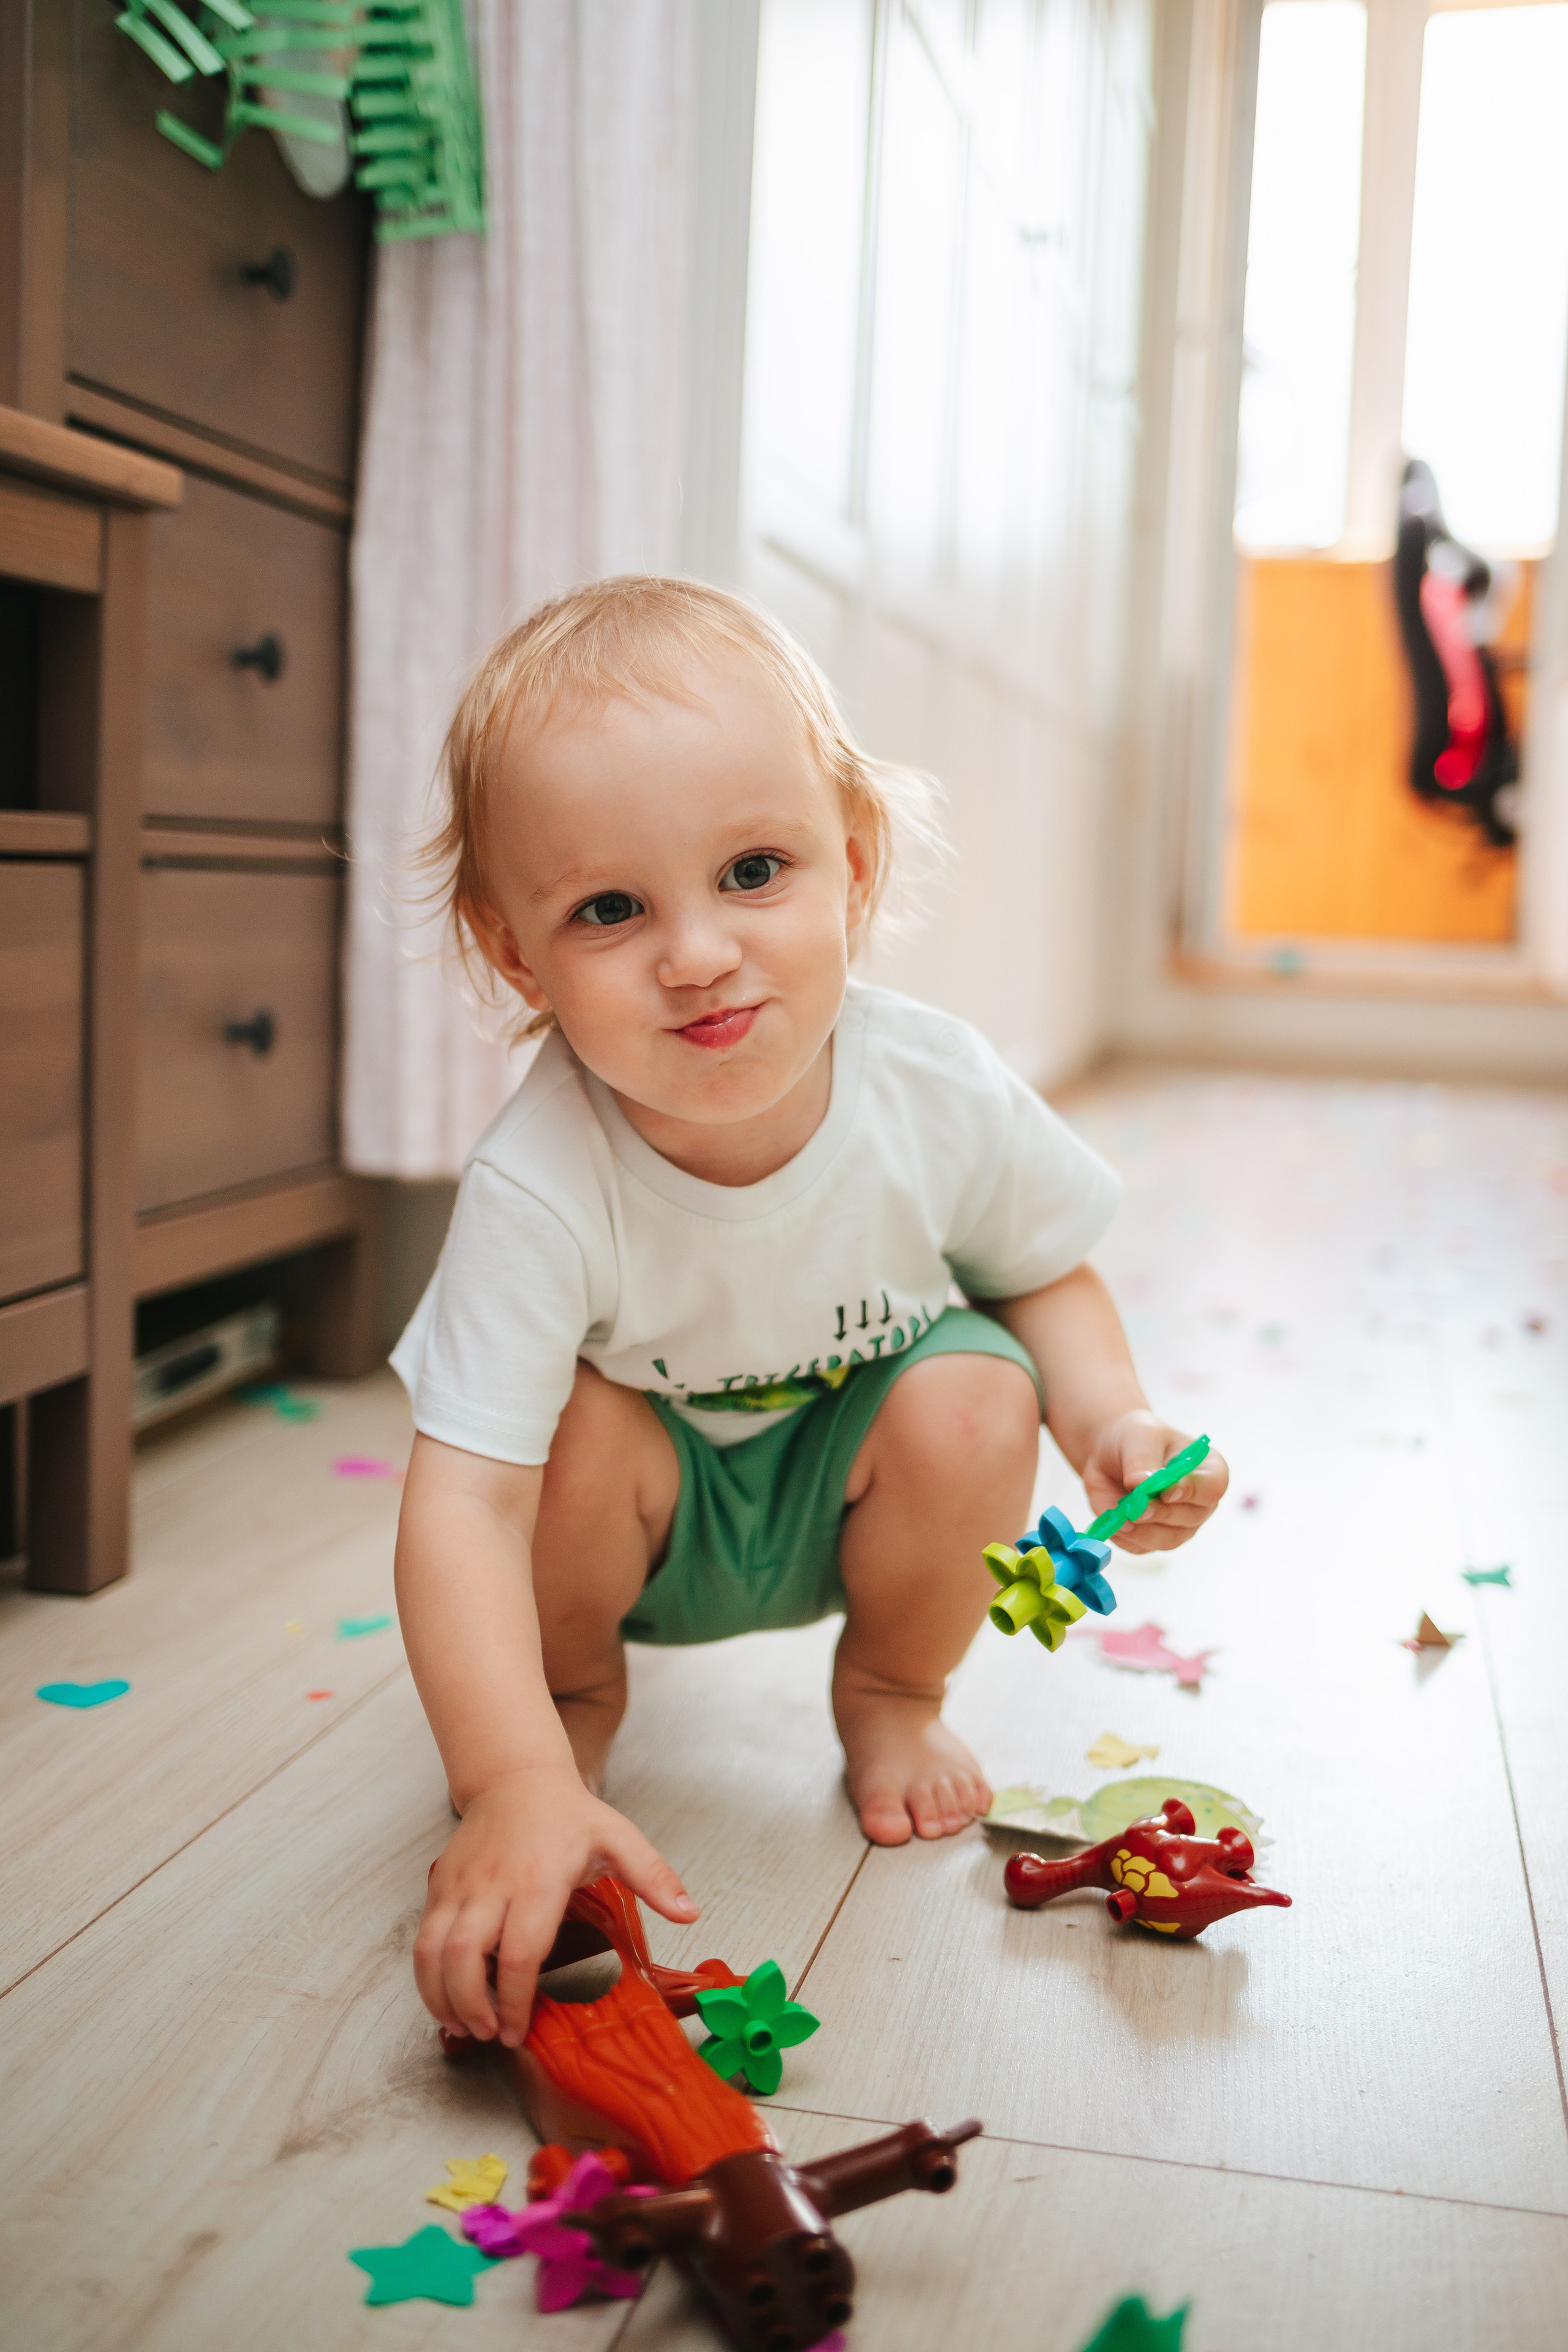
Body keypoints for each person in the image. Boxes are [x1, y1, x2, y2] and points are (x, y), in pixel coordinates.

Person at [390, 577, 1228, 2052]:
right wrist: (508, 1770)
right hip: (643, 1517)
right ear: (516, 955)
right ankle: (565, 1717)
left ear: (850, 869)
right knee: (558, 1435)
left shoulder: (932, 1085)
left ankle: (893, 1693)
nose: (696, 952)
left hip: (862, 1489)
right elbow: (462, 1504)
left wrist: (1111, 1419)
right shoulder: (539, 1182)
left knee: (980, 1389)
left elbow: (1042, 1272)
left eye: (753, 871)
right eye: (607, 909)